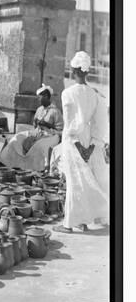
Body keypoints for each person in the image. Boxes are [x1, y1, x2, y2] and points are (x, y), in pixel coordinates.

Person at [53, 51, 109, 233]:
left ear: (74, 70)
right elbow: (100, 123)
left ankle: (69, 223)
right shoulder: (94, 94)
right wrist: (91, 146)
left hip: (73, 140)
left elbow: (69, 124)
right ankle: (82, 221)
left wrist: (78, 146)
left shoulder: (67, 93)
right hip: (88, 139)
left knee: (74, 180)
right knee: (84, 180)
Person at [0, 85, 64, 171]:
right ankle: (12, 163)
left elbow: (60, 131)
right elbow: (35, 126)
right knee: (17, 137)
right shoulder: (39, 109)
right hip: (37, 133)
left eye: (39, 97)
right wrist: (37, 123)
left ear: (46, 96)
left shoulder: (55, 111)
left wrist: (48, 125)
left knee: (39, 146)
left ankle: (39, 168)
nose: (38, 99)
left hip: (51, 135)